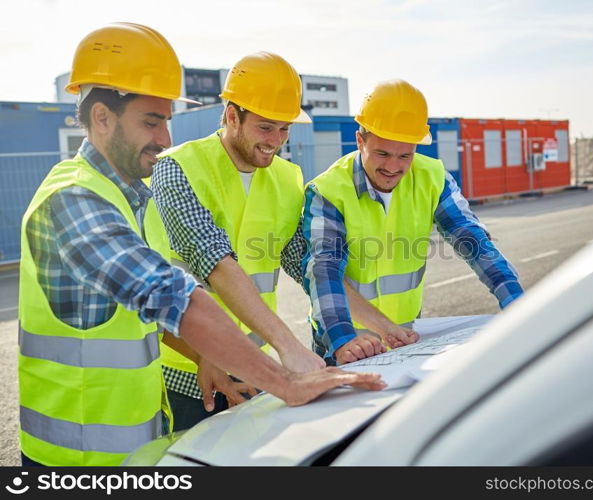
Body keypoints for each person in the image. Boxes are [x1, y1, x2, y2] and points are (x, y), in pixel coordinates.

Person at [17, 23, 383, 467]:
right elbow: (175, 296)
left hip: (135, 441)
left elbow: (141, 313)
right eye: (151, 122)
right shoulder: (74, 200)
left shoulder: (129, 195)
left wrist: (207, 354)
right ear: (101, 117)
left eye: (167, 122)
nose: (165, 140)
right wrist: (284, 379)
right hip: (74, 457)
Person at [150, 52, 325, 431]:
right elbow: (214, 261)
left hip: (252, 368)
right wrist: (288, 347)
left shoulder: (288, 177)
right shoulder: (177, 167)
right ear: (232, 115)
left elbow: (306, 265)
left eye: (284, 129)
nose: (276, 141)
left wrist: (354, 327)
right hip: (187, 367)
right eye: (265, 128)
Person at [302, 79, 524, 365]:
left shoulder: (433, 178)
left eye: (405, 155)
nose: (393, 167)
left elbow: (472, 240)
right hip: (343, 343)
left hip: (406, 340)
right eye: (382, 153)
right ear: (360, 140)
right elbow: (324, 268)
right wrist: (343, 340)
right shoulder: (329, 191)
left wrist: (514, 298)